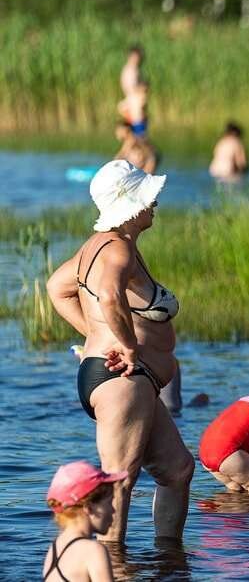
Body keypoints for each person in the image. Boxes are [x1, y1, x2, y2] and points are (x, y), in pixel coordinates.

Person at [45, 160, 193, 544]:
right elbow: (110, 295)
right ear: (131, 203)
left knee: (178, 469)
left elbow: (56, 288)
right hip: (122, 381)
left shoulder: (98, 246)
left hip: (125, 379)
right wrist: (125, 345)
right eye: (148, 197)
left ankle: (168, 561)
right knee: (120, 485)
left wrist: (95, 334)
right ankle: (110, 567)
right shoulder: (116, 250)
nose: (155, 203)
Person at [43, 461, 125, 581]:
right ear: (89, 508)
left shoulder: (54, 549)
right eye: (109, 503)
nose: (113, 510)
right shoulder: (94, 551)